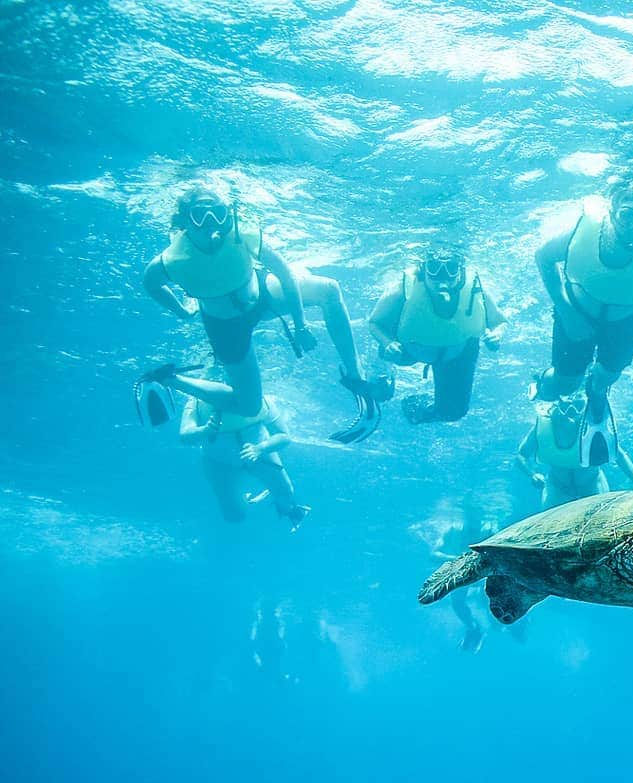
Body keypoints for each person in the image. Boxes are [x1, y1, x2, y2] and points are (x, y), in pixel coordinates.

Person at [142, 185, 382, 442]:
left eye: (219, 213)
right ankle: (171, 379)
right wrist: (181, 311)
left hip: (262, 296)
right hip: (225, 327)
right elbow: (150, 285)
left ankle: (356, 379)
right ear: (184, 221)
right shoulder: (170, 260)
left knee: (328, 290)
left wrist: (301, 326)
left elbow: (285, 274)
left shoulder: (243, 236)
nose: (211, 223)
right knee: (249, 407)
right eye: (200, 214)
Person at [532, 177, 633, 457]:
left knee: (605, 377)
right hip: (576, 313)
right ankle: (541, 384)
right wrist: (565, 310)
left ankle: (596, 393)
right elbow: (543, 256)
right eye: (626, 215)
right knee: (565, 383)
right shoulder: (582, 232)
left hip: (626, 323)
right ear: (611, 214)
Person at [368, 245, 508, 424]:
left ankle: (416, 405)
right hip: (406, 350)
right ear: (423, 269)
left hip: (456, 355)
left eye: (451, 269)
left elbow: (499, 321)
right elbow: (375, 323)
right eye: (434, 268)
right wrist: (388, 343)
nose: (443, 278)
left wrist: (497, 335)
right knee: (380, 393)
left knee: (452, 414)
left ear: (460, 270)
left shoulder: (474, 288)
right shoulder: (405, 287)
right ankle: (382, 373)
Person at [179, 392, 310, 531]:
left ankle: (290, 512)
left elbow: (284, 436)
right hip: (218, 461)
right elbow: (185, 436)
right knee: (234, 516)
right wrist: (205, 430)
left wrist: (260, 449)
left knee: (286, 494)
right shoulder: (196, 401)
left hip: (259, 455)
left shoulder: (259, 398)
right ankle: (244, 500)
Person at [515, 392, 633, 509]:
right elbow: (521, 455)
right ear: (556, 406)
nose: (571, 412)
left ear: (585, 407)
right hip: (556, 488)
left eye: (578, 406)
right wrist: (531, 474)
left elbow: (619, 455)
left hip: (593, 486)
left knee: (599, 528)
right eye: (565, 407)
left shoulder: (593, 428)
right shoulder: (542, 427)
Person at [430, 504, 500, 652]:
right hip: (460, 573)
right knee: (457, 604)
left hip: (484, 573)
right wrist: (460, 560)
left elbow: (500, 554)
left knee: (488, 599)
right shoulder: (453, 530)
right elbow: (433, 554)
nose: (474, 520)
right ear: (465, 515)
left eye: (476, 515)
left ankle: (496, 624)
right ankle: (473, 628)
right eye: (470, 515)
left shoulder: (489, 531)